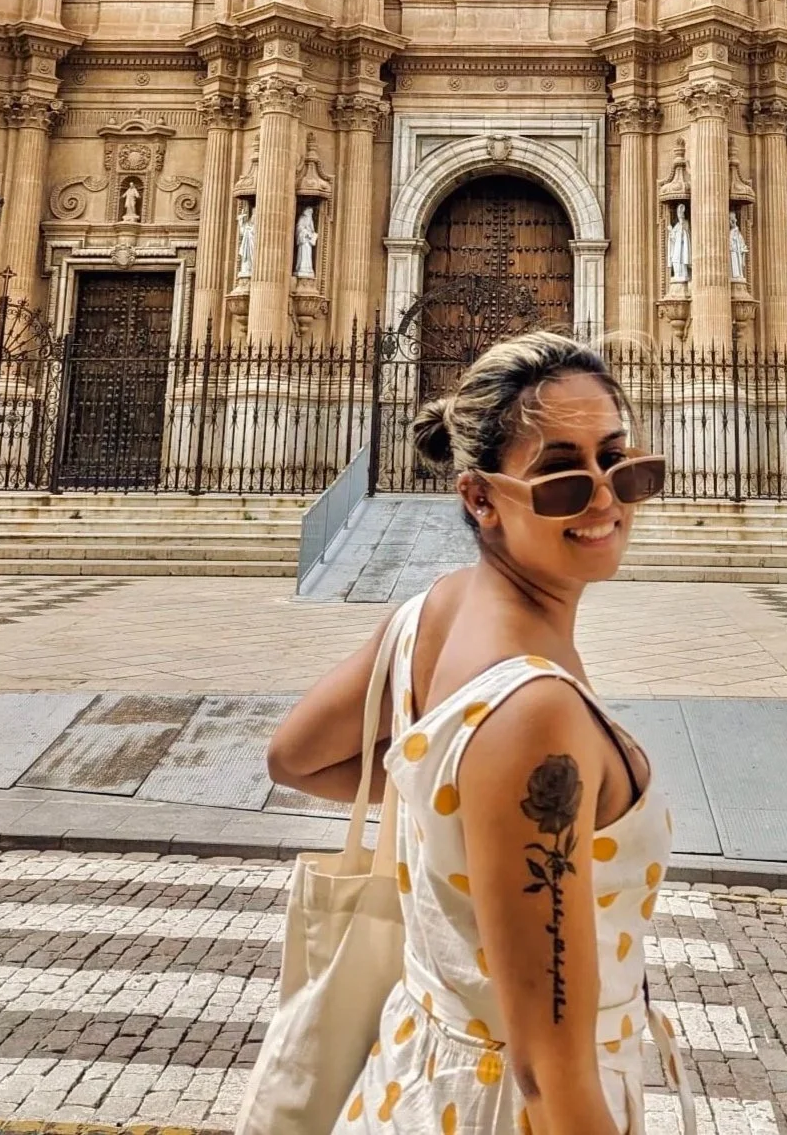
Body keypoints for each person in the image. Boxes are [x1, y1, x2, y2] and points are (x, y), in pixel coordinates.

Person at [266, 331, 690, 1134]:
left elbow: (293, 755)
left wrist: (468, 816)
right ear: (478, 497)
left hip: (412, 1079)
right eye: (560, 474)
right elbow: (547, 1075)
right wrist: (481, 808)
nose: (604, 496)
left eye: (621, 461)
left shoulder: (435, 611)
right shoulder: (536, 714)